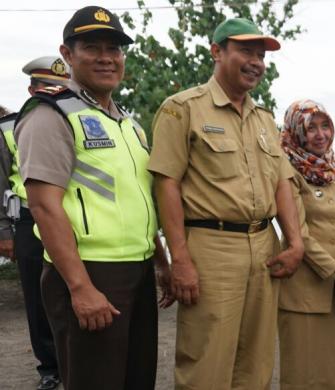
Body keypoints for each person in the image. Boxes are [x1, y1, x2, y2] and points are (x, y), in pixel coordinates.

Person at [14, 6, 173, 389]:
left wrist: (161, 261)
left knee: (136, 380)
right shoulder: (50, 114)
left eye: (115, 49)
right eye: (92, 47)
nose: (106, 57)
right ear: (67, 54)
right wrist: (81, 288)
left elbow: (138, 201)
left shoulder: (127, 125)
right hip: (89, 271)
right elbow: (44, 206)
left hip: (135, 270)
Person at [148, 18, 304, 390]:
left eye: (261, 55)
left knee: (256, 363)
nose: (256, 62)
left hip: (265, 246)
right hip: (211, 247)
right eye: (246, 51)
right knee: (207, 363)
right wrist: (179, 259)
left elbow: (281, 181)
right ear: (217, 52)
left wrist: (295, 242)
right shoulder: (182, 109)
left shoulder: (264, 118)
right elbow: (165, 183)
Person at [277, 99, 335, 389]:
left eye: (325, 126)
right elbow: (299, 234)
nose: (321, 135)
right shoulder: (286, 174)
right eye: (311, 128)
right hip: (301, 290)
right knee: (301, 376)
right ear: (296, 132)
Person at [1, 56, 70, 390]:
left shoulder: (77, 119)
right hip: (29, 220)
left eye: (61, 86)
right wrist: (4, 232)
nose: (55, 92)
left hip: (71, 219)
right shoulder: (8, 127)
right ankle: (49, 367)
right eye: (46, 87)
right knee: (37, 296)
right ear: (32, 89)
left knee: (73, 291)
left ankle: (74, 360)